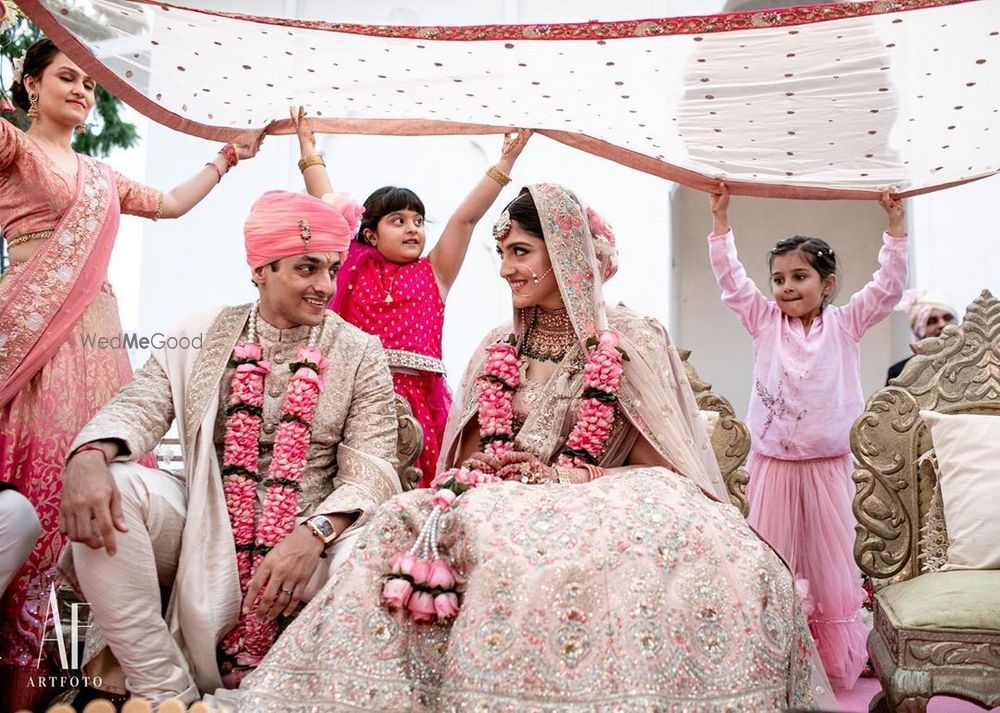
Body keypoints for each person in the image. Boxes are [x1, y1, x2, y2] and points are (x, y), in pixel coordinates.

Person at [238, 183, 832, 711]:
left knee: (570, 553)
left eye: (519, 252)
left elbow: (662, 463)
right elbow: (465, 455)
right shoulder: (498, 343)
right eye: (501, 255)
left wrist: (571, 480)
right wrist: (494, 465)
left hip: (599, 495)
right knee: (407, 521)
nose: (504, 270)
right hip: (500, 496)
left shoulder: (629, 339)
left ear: (567, 256)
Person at [57, 190, 400, 705]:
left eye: (331, 269)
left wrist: (312, 534)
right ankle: (163, 691)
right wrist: (88, 456)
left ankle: (298, 692)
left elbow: (371, 470)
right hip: (207, 527)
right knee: (118, 487)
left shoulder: (359, 350)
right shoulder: (202, 332)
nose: (325, 286)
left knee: (372, 554)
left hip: (314, 538)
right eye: (308, 269)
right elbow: (142, 403)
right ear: (261, 269)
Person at [0, 38, 260, 699]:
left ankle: (57, 680)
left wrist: (227, 155)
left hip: (98, 348)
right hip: (31, 346)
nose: (84, 90)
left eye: (92, 82)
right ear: (29, 84)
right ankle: (12, 673)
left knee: (92, 504)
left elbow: (171, 204)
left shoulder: (102, 176)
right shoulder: (13, 148)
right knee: (32, 498)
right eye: (67, 76)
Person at [707, 182, 908, 688]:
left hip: (828, 465)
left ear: (828, 283)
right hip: (773, 465)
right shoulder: (763, 321)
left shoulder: (846, 325)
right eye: (778, 278)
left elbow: (887, 287)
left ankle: (833, 660)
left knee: (831, 565)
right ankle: (775, 659)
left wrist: (896, 229)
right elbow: (731, 281)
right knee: (773, 561)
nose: (787, 286)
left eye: (800, 276)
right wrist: (720, 221)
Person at [291, 107, 531, 486]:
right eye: (398, 221)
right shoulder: (352, 263)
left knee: (418, 490)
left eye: (418, 221)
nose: (413, 229)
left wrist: (505, 161)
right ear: (370, 234)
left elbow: (465, 219)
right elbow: (329, 204)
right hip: (356, 396)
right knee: (352, 489)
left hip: (420, 405)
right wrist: (308, 150)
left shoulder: (434, 271)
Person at [886, 289, 958, 384]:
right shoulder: (900, 372)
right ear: (919, 331)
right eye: (932, 321)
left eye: (947, 318)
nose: (942, 324)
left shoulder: (974, 360)